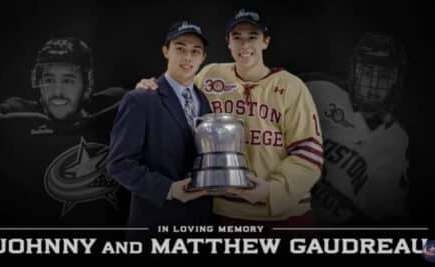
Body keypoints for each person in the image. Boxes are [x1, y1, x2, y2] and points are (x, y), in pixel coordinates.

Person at [135, 9, 323, 225]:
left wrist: (272, 191)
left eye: (252, 37)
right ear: (228, 42)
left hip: (285, 215)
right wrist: (151, 87)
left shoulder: (291, 86)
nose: (244, 45)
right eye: (237, 37)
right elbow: (176, 93)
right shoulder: (210, 76)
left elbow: (309, 152)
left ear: (266, 42)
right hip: (225, 214)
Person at [0, 37, 129, 227]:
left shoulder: (120, 108)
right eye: (49, 80)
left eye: (68, 80)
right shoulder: (14, 117)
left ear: (87, 84)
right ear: (37, 81)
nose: (57, 91)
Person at [107, 21, 212, 235]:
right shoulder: (140, 99)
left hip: (200, 225)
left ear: (203, 58)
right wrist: (169, 190)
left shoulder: (205, 102)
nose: (187, 57)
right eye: (180, 48)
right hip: (154, 225)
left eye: (195, 51)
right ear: (166, 51)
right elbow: (119, 164)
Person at [303, 32, 410, 225]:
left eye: (384, 77)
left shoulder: (396, 141)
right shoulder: (319, 89)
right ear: (355, 71)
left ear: (395, 80)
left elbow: (382, 211)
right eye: (368, 73)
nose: (373, 86)